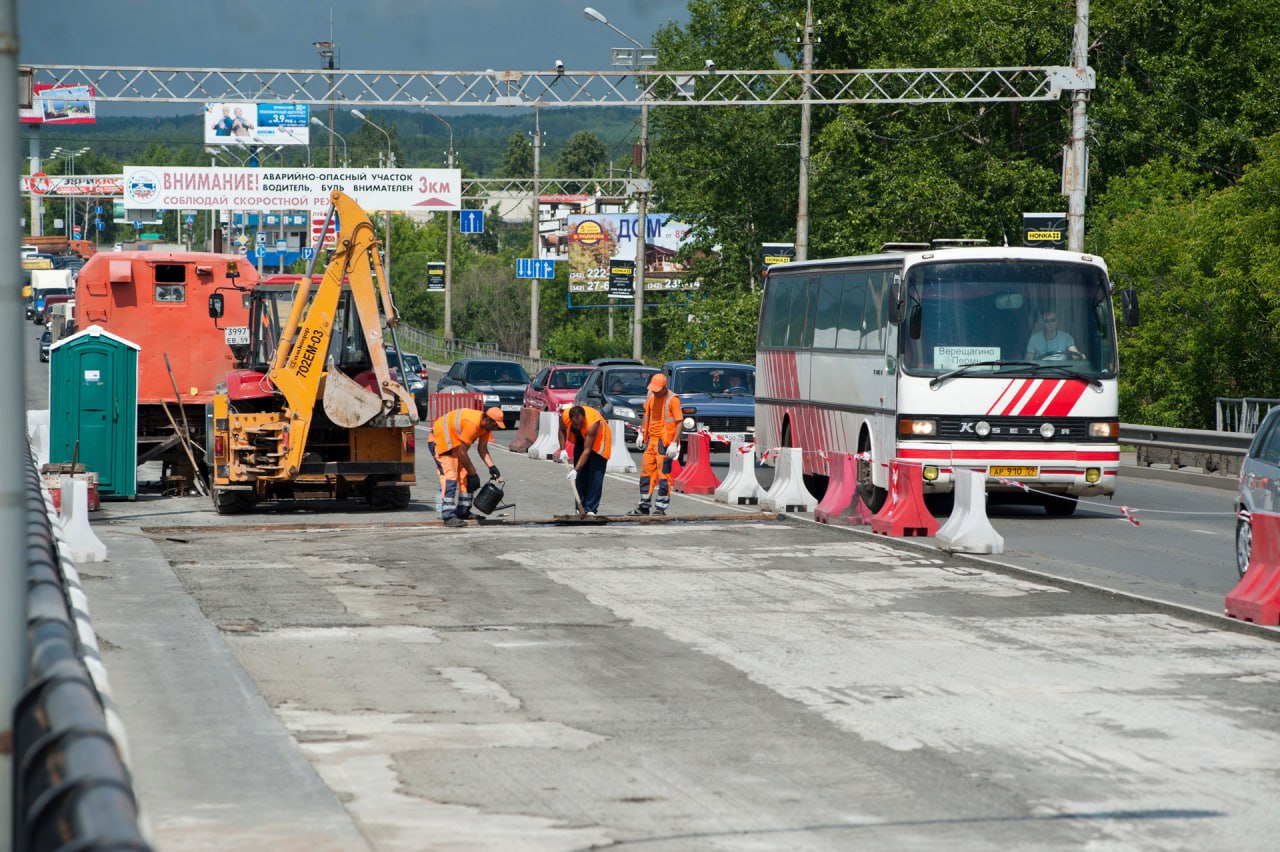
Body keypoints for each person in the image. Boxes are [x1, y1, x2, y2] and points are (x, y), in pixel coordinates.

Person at [430, 407, 504, 528]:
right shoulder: (472, 424)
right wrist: (473, 473)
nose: (496, 428)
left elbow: (482, 449)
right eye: (495, 425)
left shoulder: (485, 427)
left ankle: (463, 512)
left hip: (455, 445)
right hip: (440, 442)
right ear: (487, 420)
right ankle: (448, 516)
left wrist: (492, 467)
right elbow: (462, 453)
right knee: (450, 478)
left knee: (465, 476)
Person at [628, 373, 682, 516]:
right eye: (654, 390)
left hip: (663, 443)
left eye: (658, 390)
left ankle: (660, 508)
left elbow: (679, 422)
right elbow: (647, 415)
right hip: (651, 440)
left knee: (663, 475)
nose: (655, 393)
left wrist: (674, 443)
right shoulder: (651, 397)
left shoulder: (673, 400)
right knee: (646, 473)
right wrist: (641, 433)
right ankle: (644, 506)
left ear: (664, 388)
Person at [556, 404, 611, 516]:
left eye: (581, 423)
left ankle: (590, 509)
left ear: (584, 418)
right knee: (580, 475)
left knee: (595, 475)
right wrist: (562, 450)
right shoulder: (565, 416)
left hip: (598, 441)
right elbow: (561, 430)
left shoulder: (592, 423)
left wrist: (575, 470)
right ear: (570, 420)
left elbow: (587, 450)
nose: (579, 426)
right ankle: (579, 507)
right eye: (576, 424)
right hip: (581, 438)